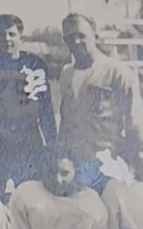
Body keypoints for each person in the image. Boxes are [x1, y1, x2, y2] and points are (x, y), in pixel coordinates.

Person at [0, 13, 56, 200]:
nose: (6, 39)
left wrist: (51, 140)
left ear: (20, 36)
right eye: (1, 35)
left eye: (11, 34)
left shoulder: (35, 64)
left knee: (31, 192)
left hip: (26, 137)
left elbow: (45, 106)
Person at [59, 12, 143, 191]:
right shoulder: (66, 73)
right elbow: (65, 122)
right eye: (70, 37)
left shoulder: (118, 72)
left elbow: (134, 125)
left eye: (81, 36)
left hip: (108, 165)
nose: (76, 42)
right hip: (76, 167)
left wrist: (135, 166)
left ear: (95, 36)